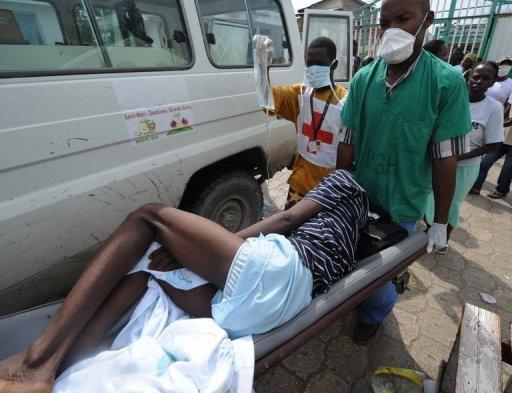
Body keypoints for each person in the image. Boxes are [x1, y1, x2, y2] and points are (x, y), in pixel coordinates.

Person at [0, 170, 368, 392]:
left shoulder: (343, 180)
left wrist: (213, 246)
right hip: (262, 314)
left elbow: (285, 222)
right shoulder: (356, 227)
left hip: (274, 272)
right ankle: (57, 370)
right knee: (151, 271)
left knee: (147, 220)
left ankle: (38, 363)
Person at [337, 0, 471, 344]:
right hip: (360, 194)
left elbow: (444, 159)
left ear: (428, 20)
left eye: (403, 19)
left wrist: (440, 222)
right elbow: (348, 140)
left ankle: (374, 314)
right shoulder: (365, 77)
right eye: (385, 22)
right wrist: (338, 193)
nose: (392, 29)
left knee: (378, 280)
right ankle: (365, 296)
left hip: (403, 205)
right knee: (352, 258)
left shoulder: (445, 83)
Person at [253, 35, 347, 209]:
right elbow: (266, 100)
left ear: (334, 65)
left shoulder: (346, 101)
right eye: (309, 63)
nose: (313, 68)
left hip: (330, 190)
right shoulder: (300, 94)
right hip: (300, 186)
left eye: (319, 63)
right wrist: (261, 65)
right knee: (290, 231)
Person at [425, 62, 504, 250]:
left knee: (450, 203)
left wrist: (458, 157)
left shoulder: (493, 108)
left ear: (493, 82)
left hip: (464, 167)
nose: (479, 81)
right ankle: (429, 232)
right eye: (476, 76)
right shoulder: (453, 100)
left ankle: (442, 239)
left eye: (486, 78)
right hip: (437, 161)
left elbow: (494, 143)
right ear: (469, 76)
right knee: (429, 198)